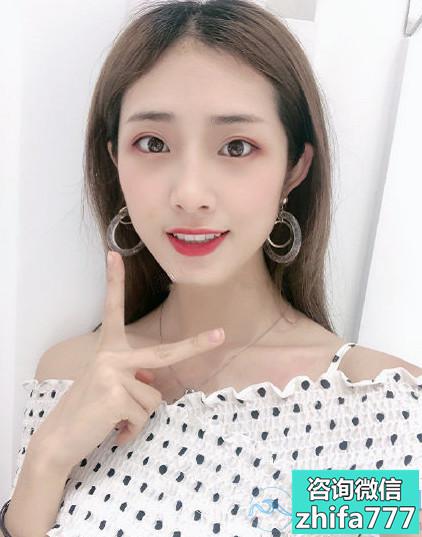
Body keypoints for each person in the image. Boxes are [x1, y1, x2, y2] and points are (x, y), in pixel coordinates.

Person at [2, 1, 421, 536]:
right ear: (115, 159)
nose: (190, 193)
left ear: (295, 167)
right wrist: (47, 459)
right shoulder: (69, 373)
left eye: (237, 147)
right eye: (153, 143)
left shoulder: (378, 406)